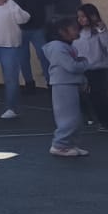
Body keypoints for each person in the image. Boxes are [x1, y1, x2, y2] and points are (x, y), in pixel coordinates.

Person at [44, 17, 89, 159]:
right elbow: (72, 66)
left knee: (75, 117)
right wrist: (85, 63)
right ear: (62, 32)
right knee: (68, 118)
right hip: (63, 84)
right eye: (73, 29)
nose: (77, 31)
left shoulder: (68, 47)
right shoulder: (57, 48)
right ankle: (59, 145)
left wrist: (82, 79)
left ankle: (69, 144)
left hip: (70, 83)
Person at [7, 0, 55, 90]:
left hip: (37, 27)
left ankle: (50, 83)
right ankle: (29, 83)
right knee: (23, 57)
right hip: (19, 28)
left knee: (43, 56)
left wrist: (48, 22)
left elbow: (49, 1)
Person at [75, 3, 108, 131]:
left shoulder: (99, 32)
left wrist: (102, 30)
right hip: (82, 69)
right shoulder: (77, 33)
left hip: (99, 69)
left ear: (92, 16)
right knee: (79, 95)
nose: (80, 19)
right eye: (79, 16)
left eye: (83, 16)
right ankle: (88, 117)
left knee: (99, 98)